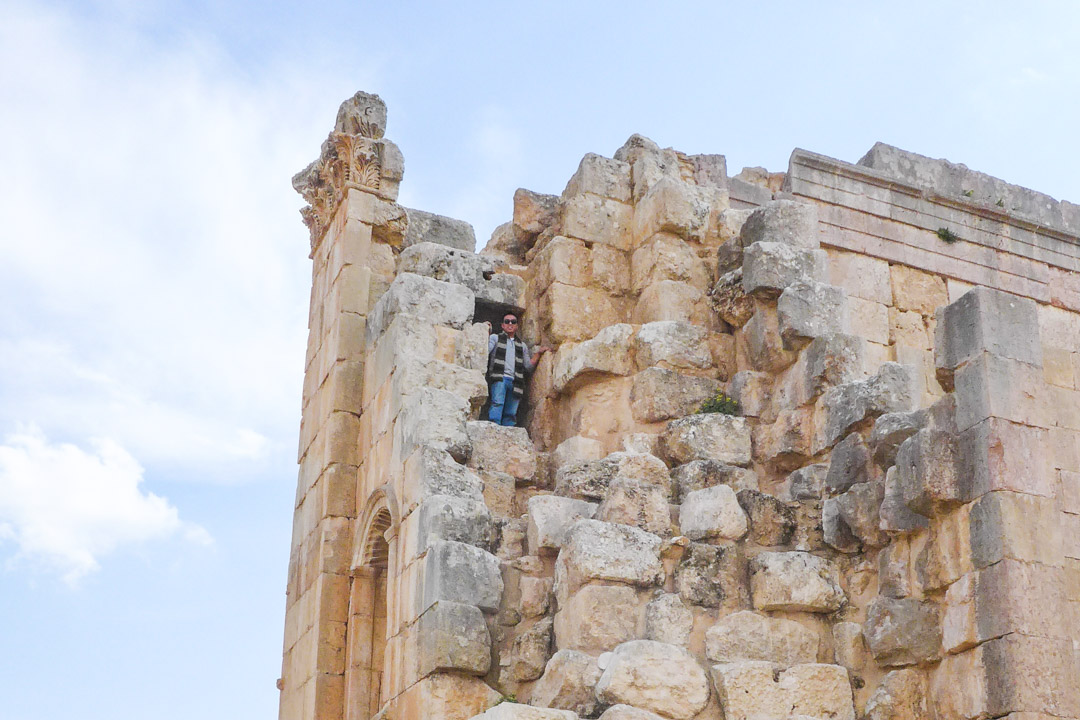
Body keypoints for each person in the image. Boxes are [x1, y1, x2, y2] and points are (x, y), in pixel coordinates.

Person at [486, 313, 550, 426]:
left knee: (511, 412)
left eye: (513, 322)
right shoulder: (495, 338)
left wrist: (538, 353)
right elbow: (484, 351)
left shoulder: (522, 346)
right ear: (502, 325)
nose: (510, 324)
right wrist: (485, 333)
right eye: (507, 321)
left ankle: (509, 431)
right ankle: (493, 427)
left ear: (516, 326)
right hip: (500, 378)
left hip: (516, 382)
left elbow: (528, 366)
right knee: (497, 404)